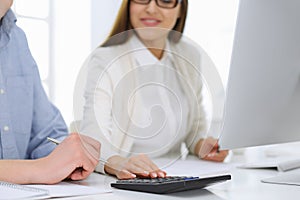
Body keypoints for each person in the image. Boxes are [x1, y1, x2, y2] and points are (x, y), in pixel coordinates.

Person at [80, 0, 228, 180]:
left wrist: (202, 145)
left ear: (181, 9)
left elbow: (195, 126)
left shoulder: (189, 55)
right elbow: (93, 136)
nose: (151, 8)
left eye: (165, 0)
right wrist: (118, 163)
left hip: (177, 174)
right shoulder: (105, 59)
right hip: (126, 179)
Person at [0, 0, 100, 184]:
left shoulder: (17, 40)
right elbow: (44, 167)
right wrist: (38, 169)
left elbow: (46, 133)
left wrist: (82, 157)